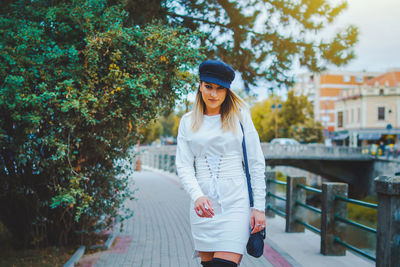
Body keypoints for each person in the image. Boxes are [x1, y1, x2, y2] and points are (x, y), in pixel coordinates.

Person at [175, 60, 266, 267]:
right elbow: (184, 165)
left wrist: (259, 207)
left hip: (236, 202)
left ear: (227, 91)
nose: (213, 94)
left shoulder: (240, 116)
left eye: (220, 88)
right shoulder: (187, 122)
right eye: (208, 87)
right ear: (200, 85)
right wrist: (197, 196)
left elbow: (255, 162)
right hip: (203, 207)